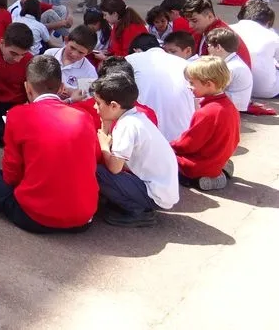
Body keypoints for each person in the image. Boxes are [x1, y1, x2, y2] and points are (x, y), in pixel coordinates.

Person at [0, 56, 98, 233]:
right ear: (61, 88)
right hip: (83, 219)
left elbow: (11, 176)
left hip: (35, 216)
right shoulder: (84, 117)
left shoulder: (18, 115)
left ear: (27, 87)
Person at [91, 73, 180, 227]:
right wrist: (105, 125)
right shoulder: (136, 118)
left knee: (96, 171)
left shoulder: (127, 125)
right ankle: (132, 201)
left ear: (114, 106)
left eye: (98, 103)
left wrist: (104, 144)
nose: (95, 107)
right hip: (159, 187)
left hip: (153, 193)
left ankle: (138, 211)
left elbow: (114, 168)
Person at [170, 57, 240, 191]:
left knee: (166, 160)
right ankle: (220, 168)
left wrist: (171, 145)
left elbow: (189, 144)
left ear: (209, 84)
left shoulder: (207, 112)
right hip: (219, 156)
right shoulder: (229, 106)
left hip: (200, 164)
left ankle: (201, 178)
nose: (189, 87)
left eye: (192, 83)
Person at [126, 34, 196, 140]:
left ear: (136, 50)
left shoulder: (131, 59)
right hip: (184, 134)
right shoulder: (185, 63)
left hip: (146, 135)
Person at [182, 0, 252, 68]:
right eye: (188, 21)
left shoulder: (219, 36)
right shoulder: (204, 30)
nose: (190, 25)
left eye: (194, 21)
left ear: (210, 16)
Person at [231, 0, 279, 99]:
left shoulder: (226, 29)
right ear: (268, 21)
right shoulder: (272, 36)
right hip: (264, 90)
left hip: (232, 87)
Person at [205, 28, 253, 112]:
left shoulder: (231, 67)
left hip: (232, 107)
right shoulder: (233, 61)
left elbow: (214, 89)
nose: (208, 49)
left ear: (218, 47)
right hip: (233, 103)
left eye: (209, 46)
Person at [44, 26, 97, 93]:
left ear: (88, 53)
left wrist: (71, 93)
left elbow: (88, 95)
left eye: (81, 52)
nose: (74, 54)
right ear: (66, 40)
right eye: (72, 48)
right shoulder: (49, 54)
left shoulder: (89, 71)